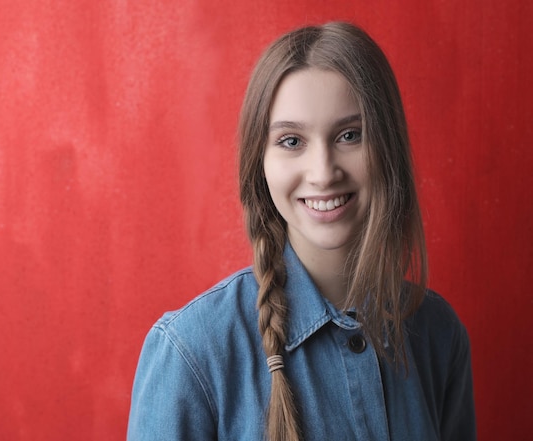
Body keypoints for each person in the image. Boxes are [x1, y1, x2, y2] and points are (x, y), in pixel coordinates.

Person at [127, 22, 475, 441]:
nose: (323, 173)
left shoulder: (439, 334)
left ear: (390, 149)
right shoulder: (192, 352)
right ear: (261, 163)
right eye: (292, 141)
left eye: (350, 135)